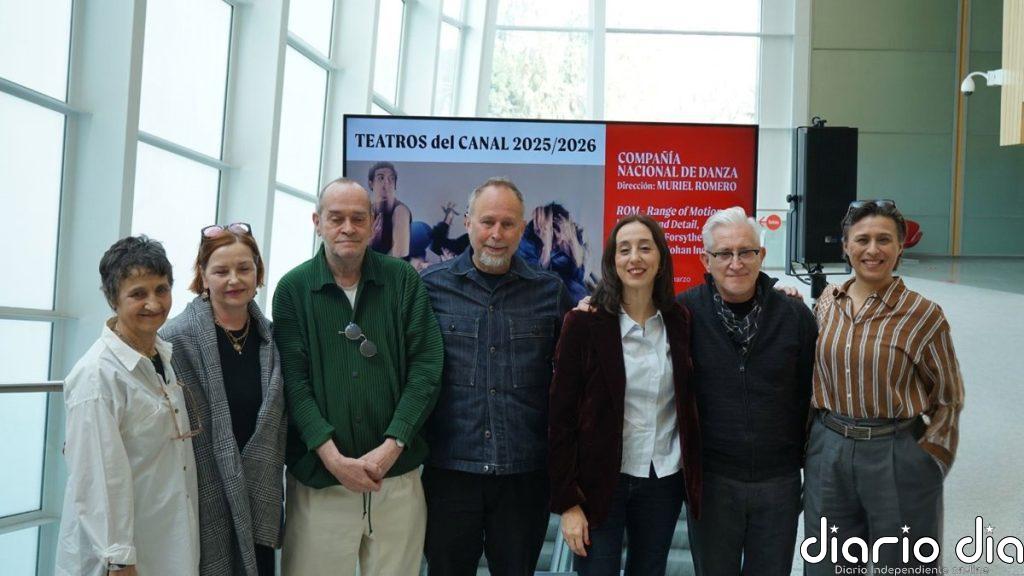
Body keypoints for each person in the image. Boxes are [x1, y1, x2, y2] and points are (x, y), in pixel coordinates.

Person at [273, 177, 444, 576]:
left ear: (372, 225)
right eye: (336, 218)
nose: (347, 228)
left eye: (356, 218)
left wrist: (392, 446)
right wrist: (332, 457)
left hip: (396, 479)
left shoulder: (403, 282)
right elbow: (292, 382)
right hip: (321, 480)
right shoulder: (293, 290)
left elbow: (427, 366)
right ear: (317, 222)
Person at [804, 200, 965, 574]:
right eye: (861, 239)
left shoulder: (923, 314)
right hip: (829, 448)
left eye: (884, 240)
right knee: (828, 564)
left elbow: (948, 397)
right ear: (845, 246)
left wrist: (931, 460)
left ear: (899, 246)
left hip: (895, 450)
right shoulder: (828, 301)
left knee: (905, 564)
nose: (872, 250)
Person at [420, 177, 571, 575]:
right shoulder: (430, 289)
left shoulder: (550, 292)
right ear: (468, 222)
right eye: (487, 222)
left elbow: (576, 375)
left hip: (524, 475)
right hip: (451, 472)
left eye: (508, 224)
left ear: (522, 229)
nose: (496, 234)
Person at [549, 215, 702, 576]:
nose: (635, 258)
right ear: (612, 261)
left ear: (661, 259)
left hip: (662, 480)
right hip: (601, 483)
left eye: (645, 248)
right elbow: (560, 419)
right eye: (625, 249)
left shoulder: (680, 322)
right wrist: (568, 503)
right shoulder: (584, 323)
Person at [678, 207, 817, 576]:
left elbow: (811, 394)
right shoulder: (683, 314)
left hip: (779, 482)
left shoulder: (796, 316)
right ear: (705, 260)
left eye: (746, 251)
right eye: (724, 253)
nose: (736, 263)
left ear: (762, 256)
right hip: (712, 483)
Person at [57, 235, 199, 576]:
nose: (154, 303)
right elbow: (98, 479)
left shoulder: (161, 355)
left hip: (166, 540)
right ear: (113, 300)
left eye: (161, 289)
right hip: (119, 559)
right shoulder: (97, 377)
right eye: (138, 293)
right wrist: (118, 559)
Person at [160, 222, 287, 576]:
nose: (234, 279)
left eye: (244, 269)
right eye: (221, 270)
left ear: (258, 273)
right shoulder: (175, 339)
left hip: (259, 496)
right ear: (203, 275)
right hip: (203, 497)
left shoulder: (272, 341)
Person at [518, 203, 589, 303]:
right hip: (539, 294)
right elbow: (533, 277)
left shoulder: (568, 240)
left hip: (570, 295)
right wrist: (546, 246)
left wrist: (572, 245)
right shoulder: (528, 241)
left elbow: (578, 277)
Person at [368, 161, 412, 258]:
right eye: (381, 178)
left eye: (391, 179)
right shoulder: (367, 211)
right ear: (371, 184)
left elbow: (400, 253)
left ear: (395, 185)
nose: (386, 185)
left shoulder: (400, 211)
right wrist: (371, 241)